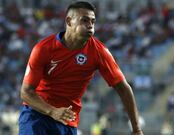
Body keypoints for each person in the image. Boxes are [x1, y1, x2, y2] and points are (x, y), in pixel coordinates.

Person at [18, 1, 144, 135]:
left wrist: (137, 130)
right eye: (84, 20)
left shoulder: (99, 52)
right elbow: (26, 93)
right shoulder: (43, 49)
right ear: (69, 21)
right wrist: (53, 111)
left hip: (67, 120)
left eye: (93, 21)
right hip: (37, 115)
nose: (90, 25)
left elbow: (123, 89)